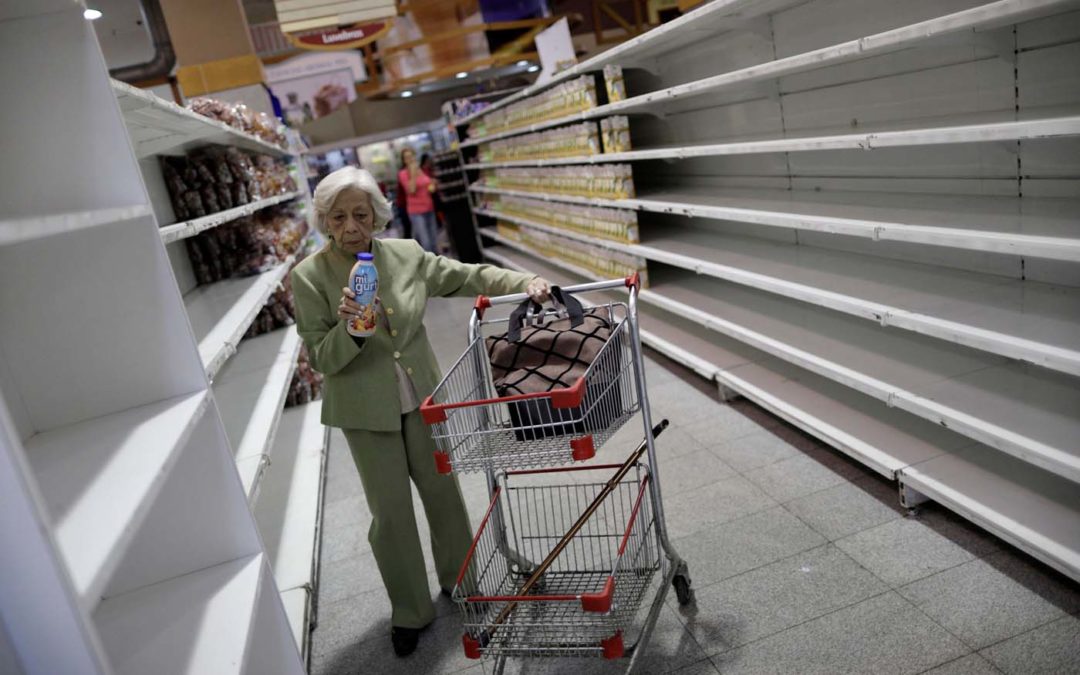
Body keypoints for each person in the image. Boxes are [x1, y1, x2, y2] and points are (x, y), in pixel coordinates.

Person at [290, 166, 551, 657]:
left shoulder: (406, 256)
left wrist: (524, 278)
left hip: (422, 401)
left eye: (361, 215)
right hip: (365, 414)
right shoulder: (308, 277)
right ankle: (410, 610)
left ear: (378, 215)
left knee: (443, 493)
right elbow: (320, 358)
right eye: (339, 216)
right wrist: (353, 331)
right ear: (323, 219)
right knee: (390, 515)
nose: (351, 226)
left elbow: (466, 275)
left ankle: (463, 582)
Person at [398, 147, 439, 252]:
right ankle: (428, 266)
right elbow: (411, 190)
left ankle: (436, 265)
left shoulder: (421, 170)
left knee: (434, 241)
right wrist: (412, 173)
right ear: (404, 160)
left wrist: (433, 184)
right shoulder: (403, 174)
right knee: (426, 243)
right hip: (416, 212)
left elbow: (429, 186)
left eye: (411, 156)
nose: (410, 159)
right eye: (407, 158)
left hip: (429, 208)